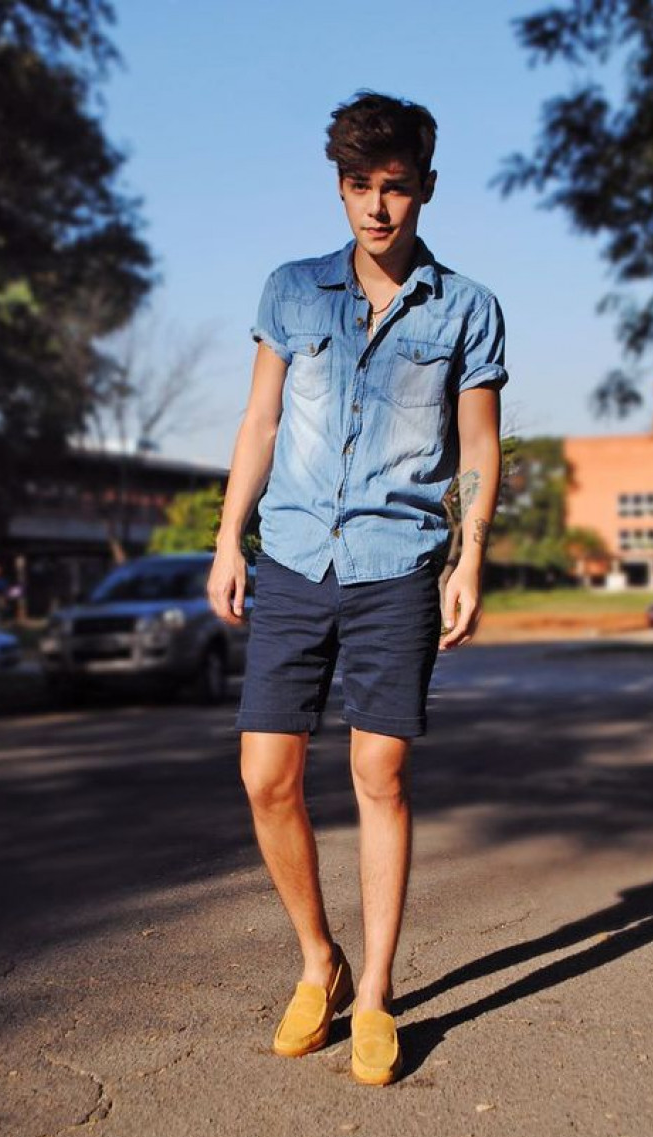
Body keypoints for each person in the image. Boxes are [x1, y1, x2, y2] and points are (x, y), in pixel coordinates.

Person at [208, 90, 507, 1085]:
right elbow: (256, 424)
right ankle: (317, 961)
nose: (375, 209)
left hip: (396, 567)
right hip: (294, 554)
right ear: (336, 188)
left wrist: (466, 556)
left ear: (423, 188)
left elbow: (477, 446)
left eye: (393, 188)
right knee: (266, 777)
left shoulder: (466, 307)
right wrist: (227, 536)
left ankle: (373, 991)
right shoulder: (290, 291)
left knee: (378, 776)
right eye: (356, 187)